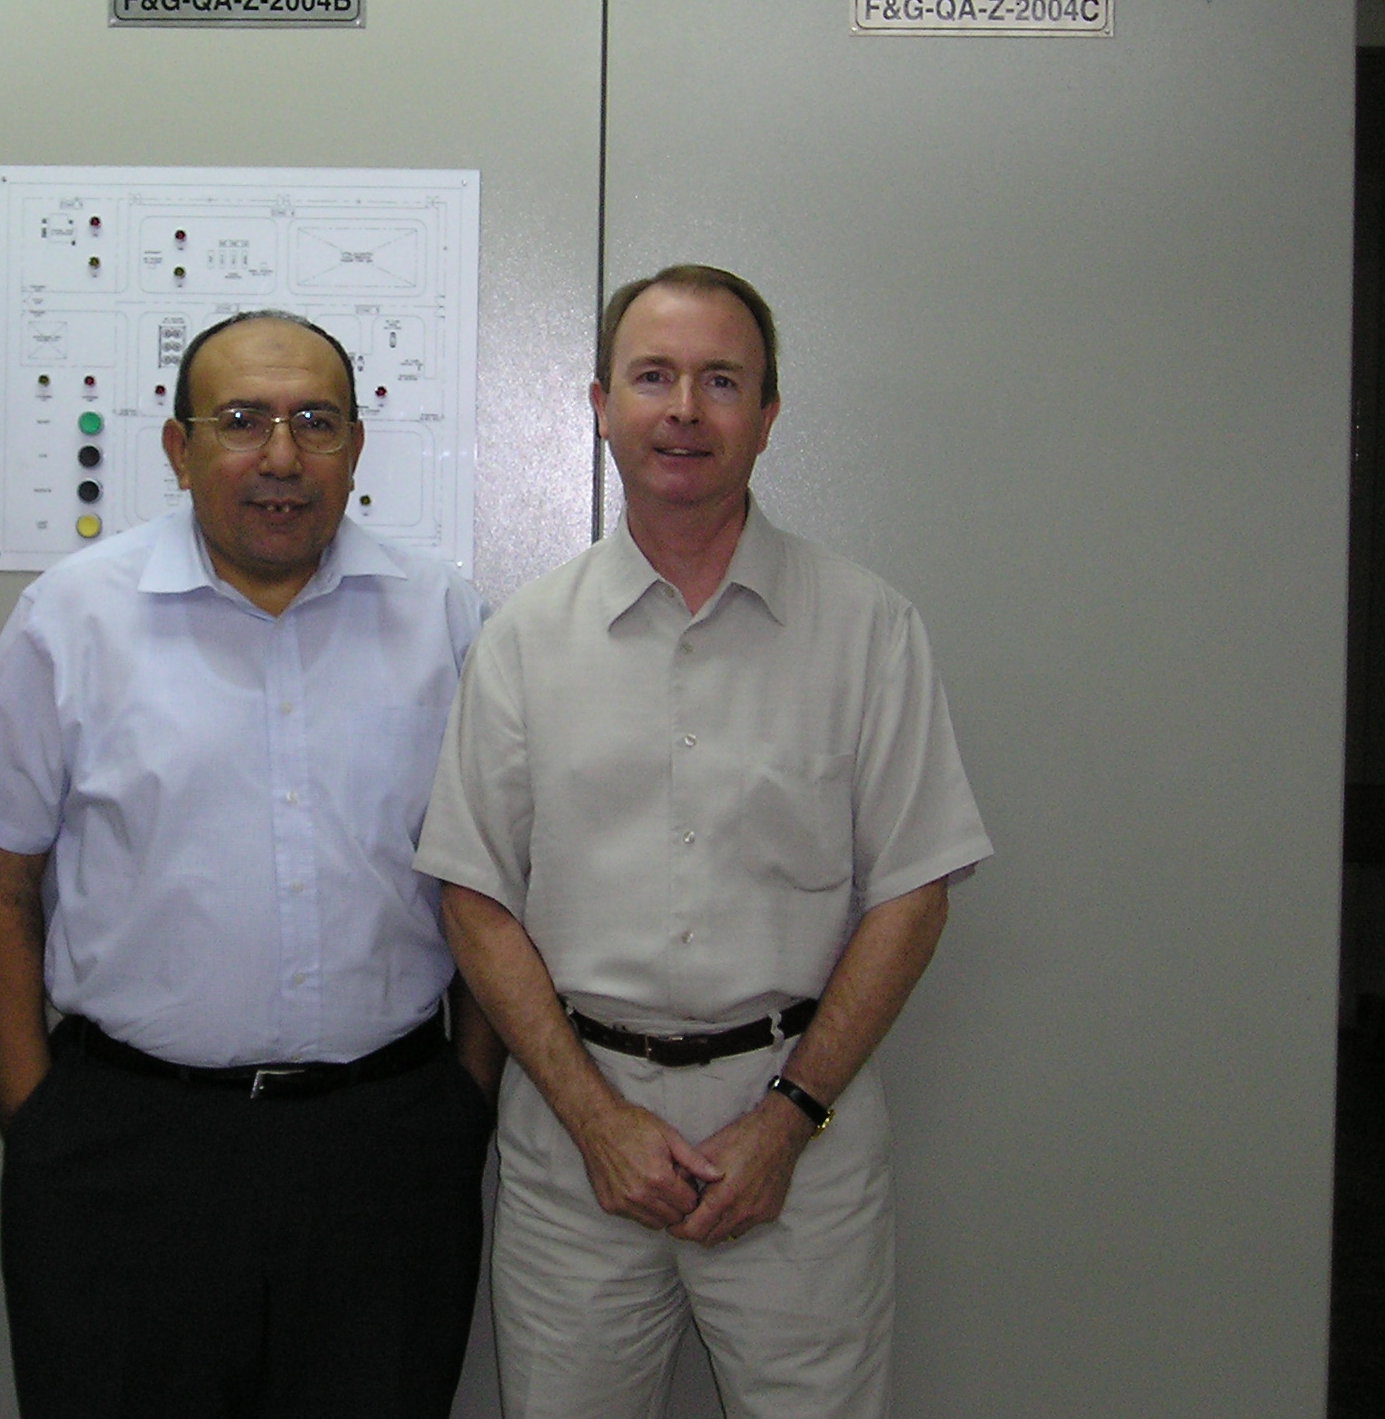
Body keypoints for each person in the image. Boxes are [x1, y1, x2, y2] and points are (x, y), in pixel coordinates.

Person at [414, 265, 993, 1419]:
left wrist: (783, 1122)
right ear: (599, 405)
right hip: (575, 1135)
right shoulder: (524, 641)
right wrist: (594, 1119)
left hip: (800, 1135)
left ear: (767, 416)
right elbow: (473, 899)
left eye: (720, 380)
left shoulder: (866, 628)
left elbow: (912, 893)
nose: (683, 408)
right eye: (652, 376)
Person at [0, 309, 501, 1419]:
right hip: (129, 1152)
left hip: (384, 1149)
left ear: (356, 444)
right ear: (178, 446)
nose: (281, 456)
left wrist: (465, 1099)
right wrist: (37, 1122)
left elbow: (489, 875)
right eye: (241, 421)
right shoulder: (73, 617)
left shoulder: (441, 617)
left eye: (316, 421)